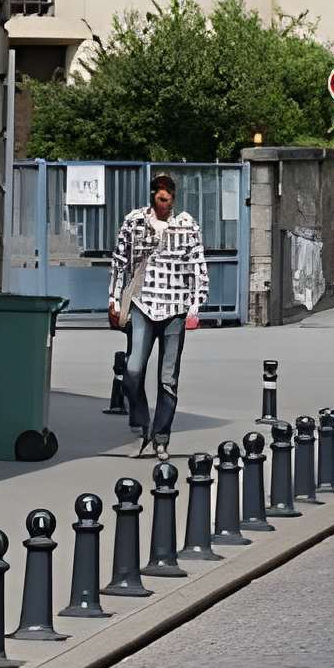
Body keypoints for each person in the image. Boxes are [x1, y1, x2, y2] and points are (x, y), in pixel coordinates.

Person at [108, 170, 206, 456]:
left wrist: (196, 306)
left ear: (174, 197)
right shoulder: (134, 221)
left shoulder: (187, 226)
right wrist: (113, 298)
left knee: (168, 378)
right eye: (159, 194)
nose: (164, 200)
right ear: (153, 196)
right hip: (142, 304)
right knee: (133, 370)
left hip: (175, 308)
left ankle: (161, 436)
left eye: (168, 195)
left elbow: (198, 266)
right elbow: (119, 261)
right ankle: (141, 423)